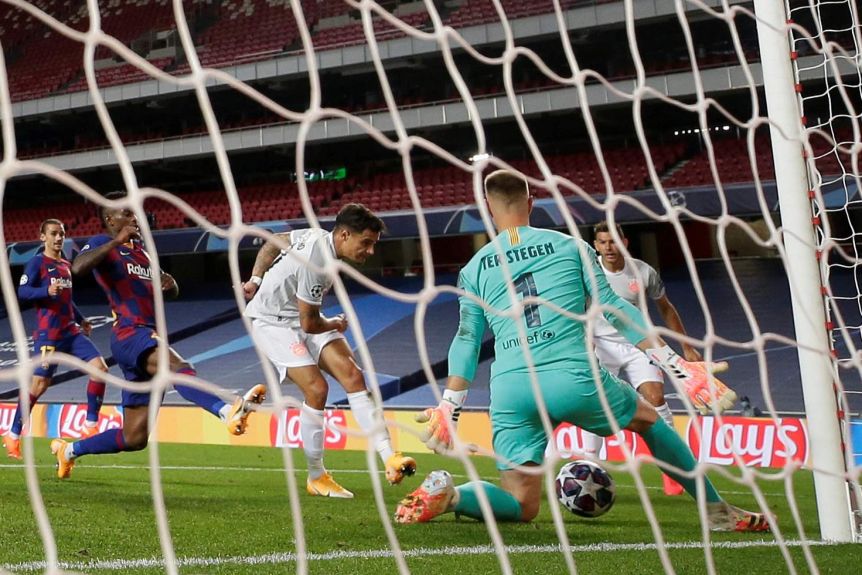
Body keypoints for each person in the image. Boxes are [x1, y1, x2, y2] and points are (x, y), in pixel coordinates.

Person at [394, 170, 770, 532]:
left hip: (510, 390)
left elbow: (466, 337)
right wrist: (673, 363)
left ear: (488, 210)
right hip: (570, 375)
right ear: (532, 201)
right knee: (649, 420)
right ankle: (716, 510)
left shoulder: (473, 268)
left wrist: (450, 405)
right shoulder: (570, 245)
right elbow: (615, 309)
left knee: (521, 503)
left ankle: (454, 495)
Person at [49, 193, 265, 478]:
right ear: (110, 219)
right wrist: (116, 240)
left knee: (134, 438)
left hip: (146, 336)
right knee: (179, 369)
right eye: (126, 214)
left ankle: (69, 451)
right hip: (129, 334)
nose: (134, 218)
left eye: (135, 214)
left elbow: (166, 287)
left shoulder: (142, 252)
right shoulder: (103, 243)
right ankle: (226, 411)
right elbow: (77, 267)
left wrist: (170, 283)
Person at [241, 203, 416, 498]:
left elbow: (274, 241)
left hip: (298, 318)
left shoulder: (316, 235)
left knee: (352, 375)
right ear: (345, 235)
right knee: (317, 389)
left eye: (373, 244)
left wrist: (256, 278)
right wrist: (334, 322)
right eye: (366, 243)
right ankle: (316, 476)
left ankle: (390, 458)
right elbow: (311, 324)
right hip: (273, 322)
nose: (370, 251)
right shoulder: (318, 262)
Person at [582, 221, 736, 495]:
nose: (609, 247)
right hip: (601, 345)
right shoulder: (587, 273)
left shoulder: (643, 272)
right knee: (597, 403)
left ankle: (673, 468)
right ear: (595, 246)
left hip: (639, 344)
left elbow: (666, 308)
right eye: (603, 242)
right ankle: (592, 468)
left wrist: (686, 346)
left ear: (625, 243)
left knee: (656, 399)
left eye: (613, 241)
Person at [2, 219, 108, 460]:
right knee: (39, 386)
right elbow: (22, 292)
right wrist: (44, 291)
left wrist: (81, 319)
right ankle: (13, 433)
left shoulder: (64, 264)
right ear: (43, 237)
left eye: (62, 233)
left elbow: (65, 298)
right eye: (53, 234)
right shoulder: (37, 263)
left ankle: (90, 424)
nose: (59, 237)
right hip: (49, 335)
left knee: (100, 368)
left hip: (70, 331)